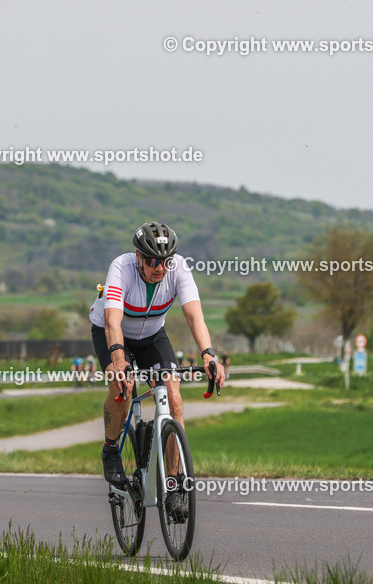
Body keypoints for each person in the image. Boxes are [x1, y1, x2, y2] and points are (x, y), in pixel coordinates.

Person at [90, 222, 226, 521]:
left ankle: (175, 487)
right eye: (152, 261)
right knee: (121, 390)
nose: (159, 268)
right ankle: (111, 449)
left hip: (153, 336)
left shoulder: (178, 268)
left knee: (174, 399)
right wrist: (118, 360)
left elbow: (194, 313)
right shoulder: (121, 268)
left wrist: (208, 353)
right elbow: (113, 319)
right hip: (114, 335)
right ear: (138, 257)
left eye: (165, 261)